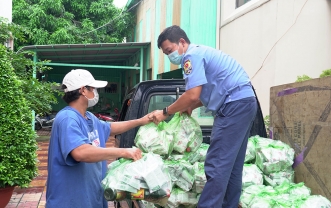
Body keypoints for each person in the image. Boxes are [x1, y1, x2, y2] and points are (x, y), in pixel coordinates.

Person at [152, 25, 258, 208]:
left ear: (182, 42)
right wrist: (191, 105)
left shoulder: (191, 57)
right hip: (245, 102)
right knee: (231, 167)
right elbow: (206, 93)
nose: (170, 56)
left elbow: (193, 94)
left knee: (217, 164)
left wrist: (165, 112)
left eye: (169, 50)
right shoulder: (202, 53)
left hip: (233, 106)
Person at [46, 69, 153, 208]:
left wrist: (141, 121)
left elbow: (111, 128)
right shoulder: (68, 118)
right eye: (93, 89)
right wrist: (123, 152)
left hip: (91, 198)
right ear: (83, 90)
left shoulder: (89, 117)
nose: (95, 93)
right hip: (71, 202)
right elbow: (80, 152)